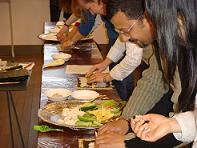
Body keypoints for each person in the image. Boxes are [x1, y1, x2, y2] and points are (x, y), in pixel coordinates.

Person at [95, 0, 196, 147]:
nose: (124, 38)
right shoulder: (166, 41)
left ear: (148, 17)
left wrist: (129, 144)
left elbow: (184, 121)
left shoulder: (185, 47)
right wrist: (127, 121)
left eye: (126, 30)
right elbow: (154, 80)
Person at [57, 0, 139, 100]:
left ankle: (127, 100)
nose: (91, 13)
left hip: (155, 57)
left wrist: (107, 77)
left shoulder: (125, 11)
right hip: (142, 55)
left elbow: (133, 59)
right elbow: (122, 40)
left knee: (131, 82)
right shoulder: (115, 12)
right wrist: (105, 63)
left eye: (89, 9)